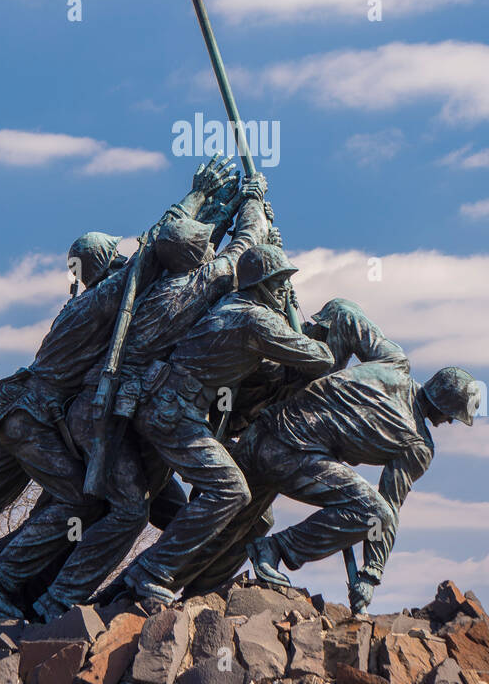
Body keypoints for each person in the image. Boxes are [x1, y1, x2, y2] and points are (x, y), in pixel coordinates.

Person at [0, 158, 233, 629]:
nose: (122, 261)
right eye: (113, 256)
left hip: (22, 417)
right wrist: (199, 197)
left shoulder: (84, 304)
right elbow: (153, 253)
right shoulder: (99, 302)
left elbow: (157, 267)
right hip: (33, 422)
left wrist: (214, 216)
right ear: (104, 263)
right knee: (79, 503)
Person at [180, 299, 478, 614]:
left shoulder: (394, 361)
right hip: (291, 455)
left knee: (232, 527)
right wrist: (371, 574)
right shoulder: (418, 445)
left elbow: (345, 314)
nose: (449, 422)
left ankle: (167, 591)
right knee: (370, 510)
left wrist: (319, 360)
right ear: (445, 406)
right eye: (453, 415)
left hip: (265, 433)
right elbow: (386, 509)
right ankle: (275, 549)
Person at [120, 244, 335, 606]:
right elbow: (320, 358)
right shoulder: (256, 319)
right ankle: (151, 572)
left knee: (258, 516)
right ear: (262, 284)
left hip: (168, 406)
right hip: (172, 413)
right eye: (279, 282)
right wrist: (292, 317)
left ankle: (201, 586)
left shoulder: (233, 310)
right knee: (232, 491)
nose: (284, 290)